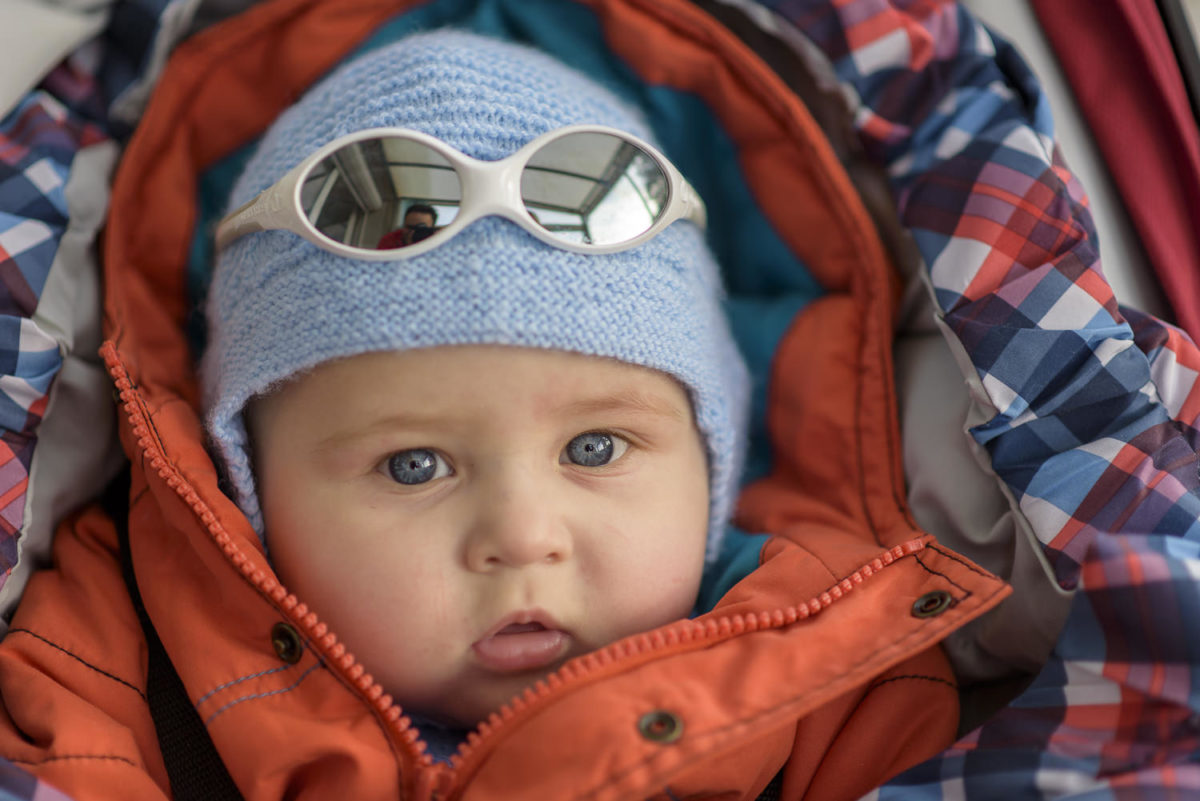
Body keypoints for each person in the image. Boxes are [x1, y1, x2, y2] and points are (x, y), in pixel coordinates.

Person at [0, 28, 1006, 801]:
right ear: (247, 484)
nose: (522, 537)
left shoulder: (840, 681)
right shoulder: (116, 653)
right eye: (412, 466)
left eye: (597, 446)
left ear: (713, 459)